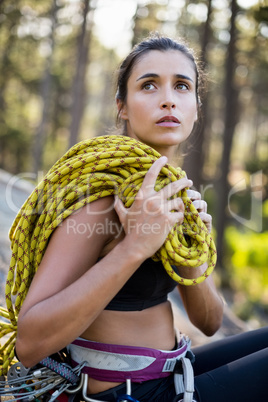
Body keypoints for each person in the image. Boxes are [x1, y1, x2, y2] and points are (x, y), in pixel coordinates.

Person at [14, 34, 268, 402]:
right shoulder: (102, 195)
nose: (168, 98)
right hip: (129, 394)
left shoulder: (169, 195)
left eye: (182, 86)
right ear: (123, 106)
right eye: (149, 85)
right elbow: (30, 341)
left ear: (195, 107)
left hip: (175, 370)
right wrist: (134, 246)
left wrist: (191, 245)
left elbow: (210, 323)